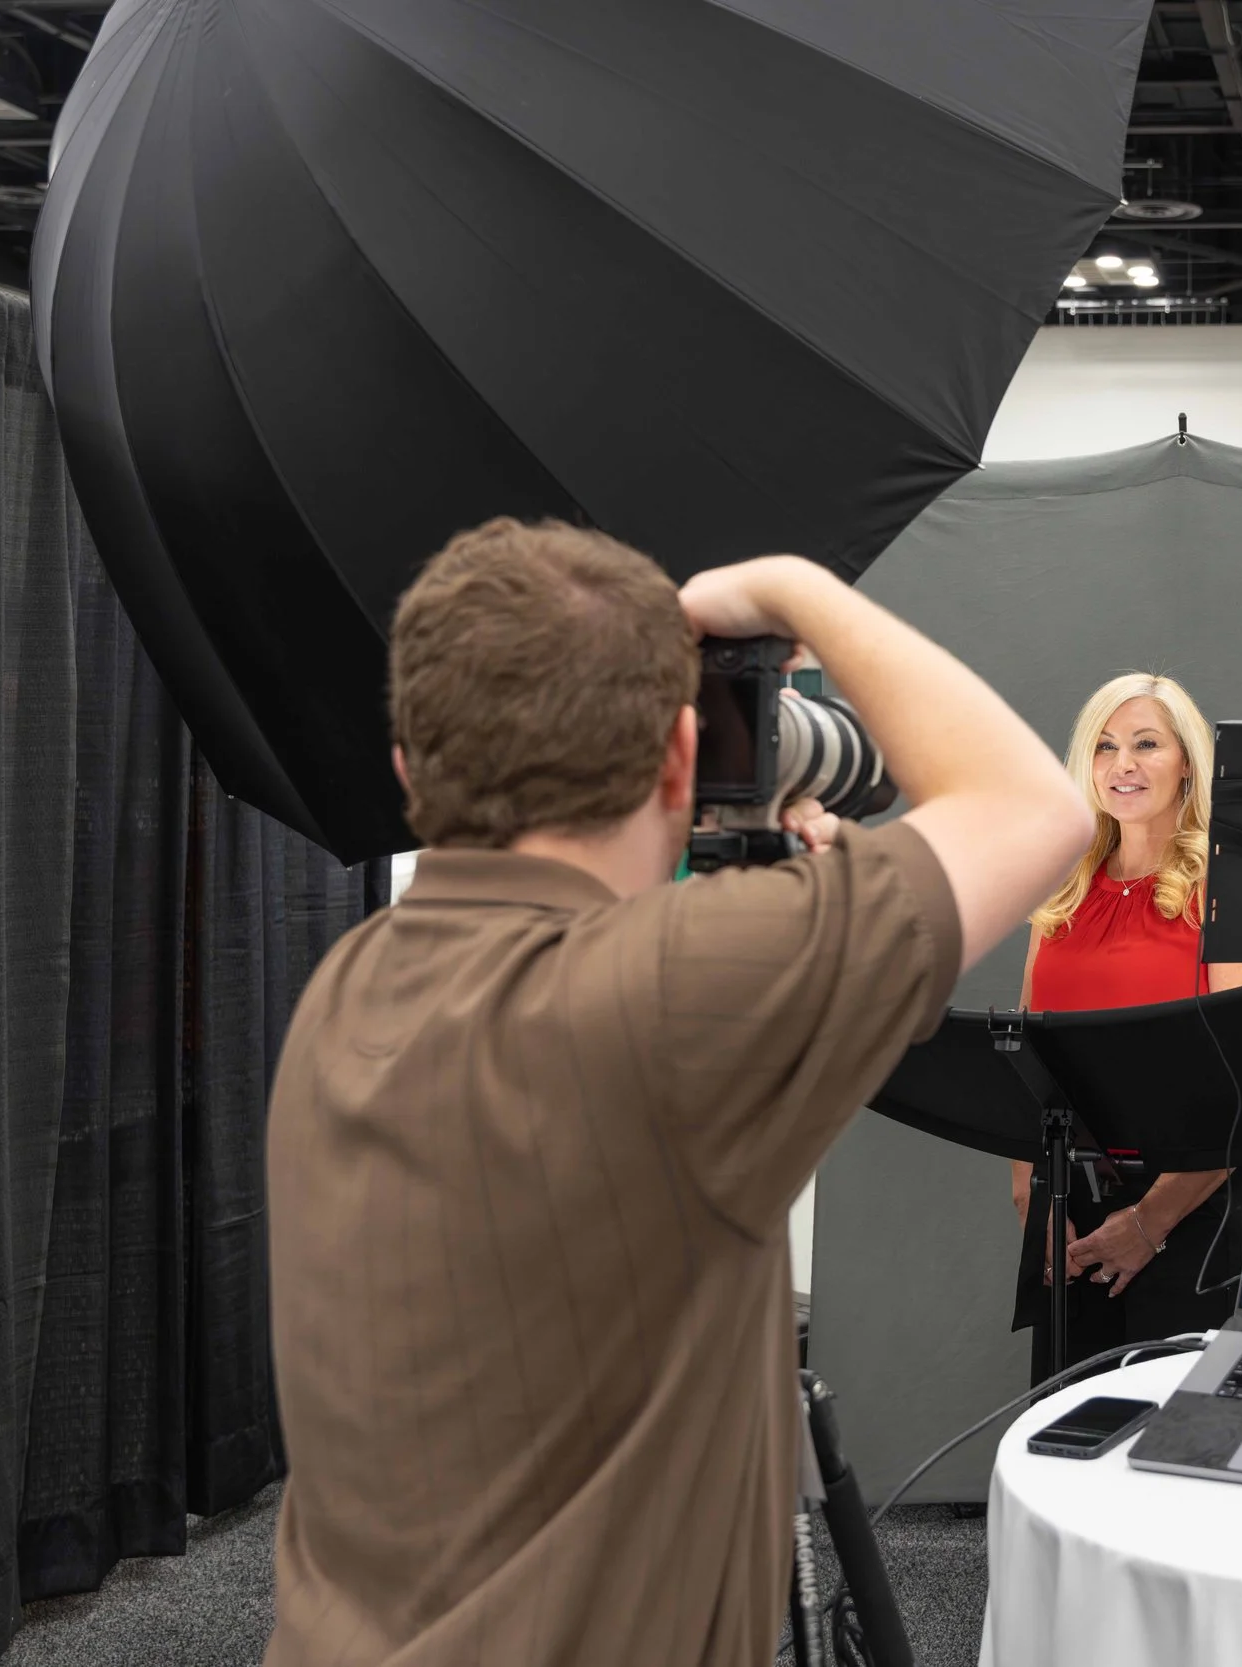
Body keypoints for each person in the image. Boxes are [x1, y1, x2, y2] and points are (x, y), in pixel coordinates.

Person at [261, 518, 1092, 1667]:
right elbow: (1035, 807)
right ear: (674, 762)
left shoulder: (344, 990)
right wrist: (791, 587)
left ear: (407, 769)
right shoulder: (675, 997)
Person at [1006, 672, 1242, 1381]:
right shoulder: (1064, 890)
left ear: (1187, 761)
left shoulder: (1229, 889)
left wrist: (1146, 1224)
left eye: (1146, 744)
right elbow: (1026, 1053)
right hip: (1069, 1208)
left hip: (1196, 1216)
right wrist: (1028, 1189)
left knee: (1170, 1445)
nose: (1122, 764)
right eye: (1104, 746)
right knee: (1067, 1431)